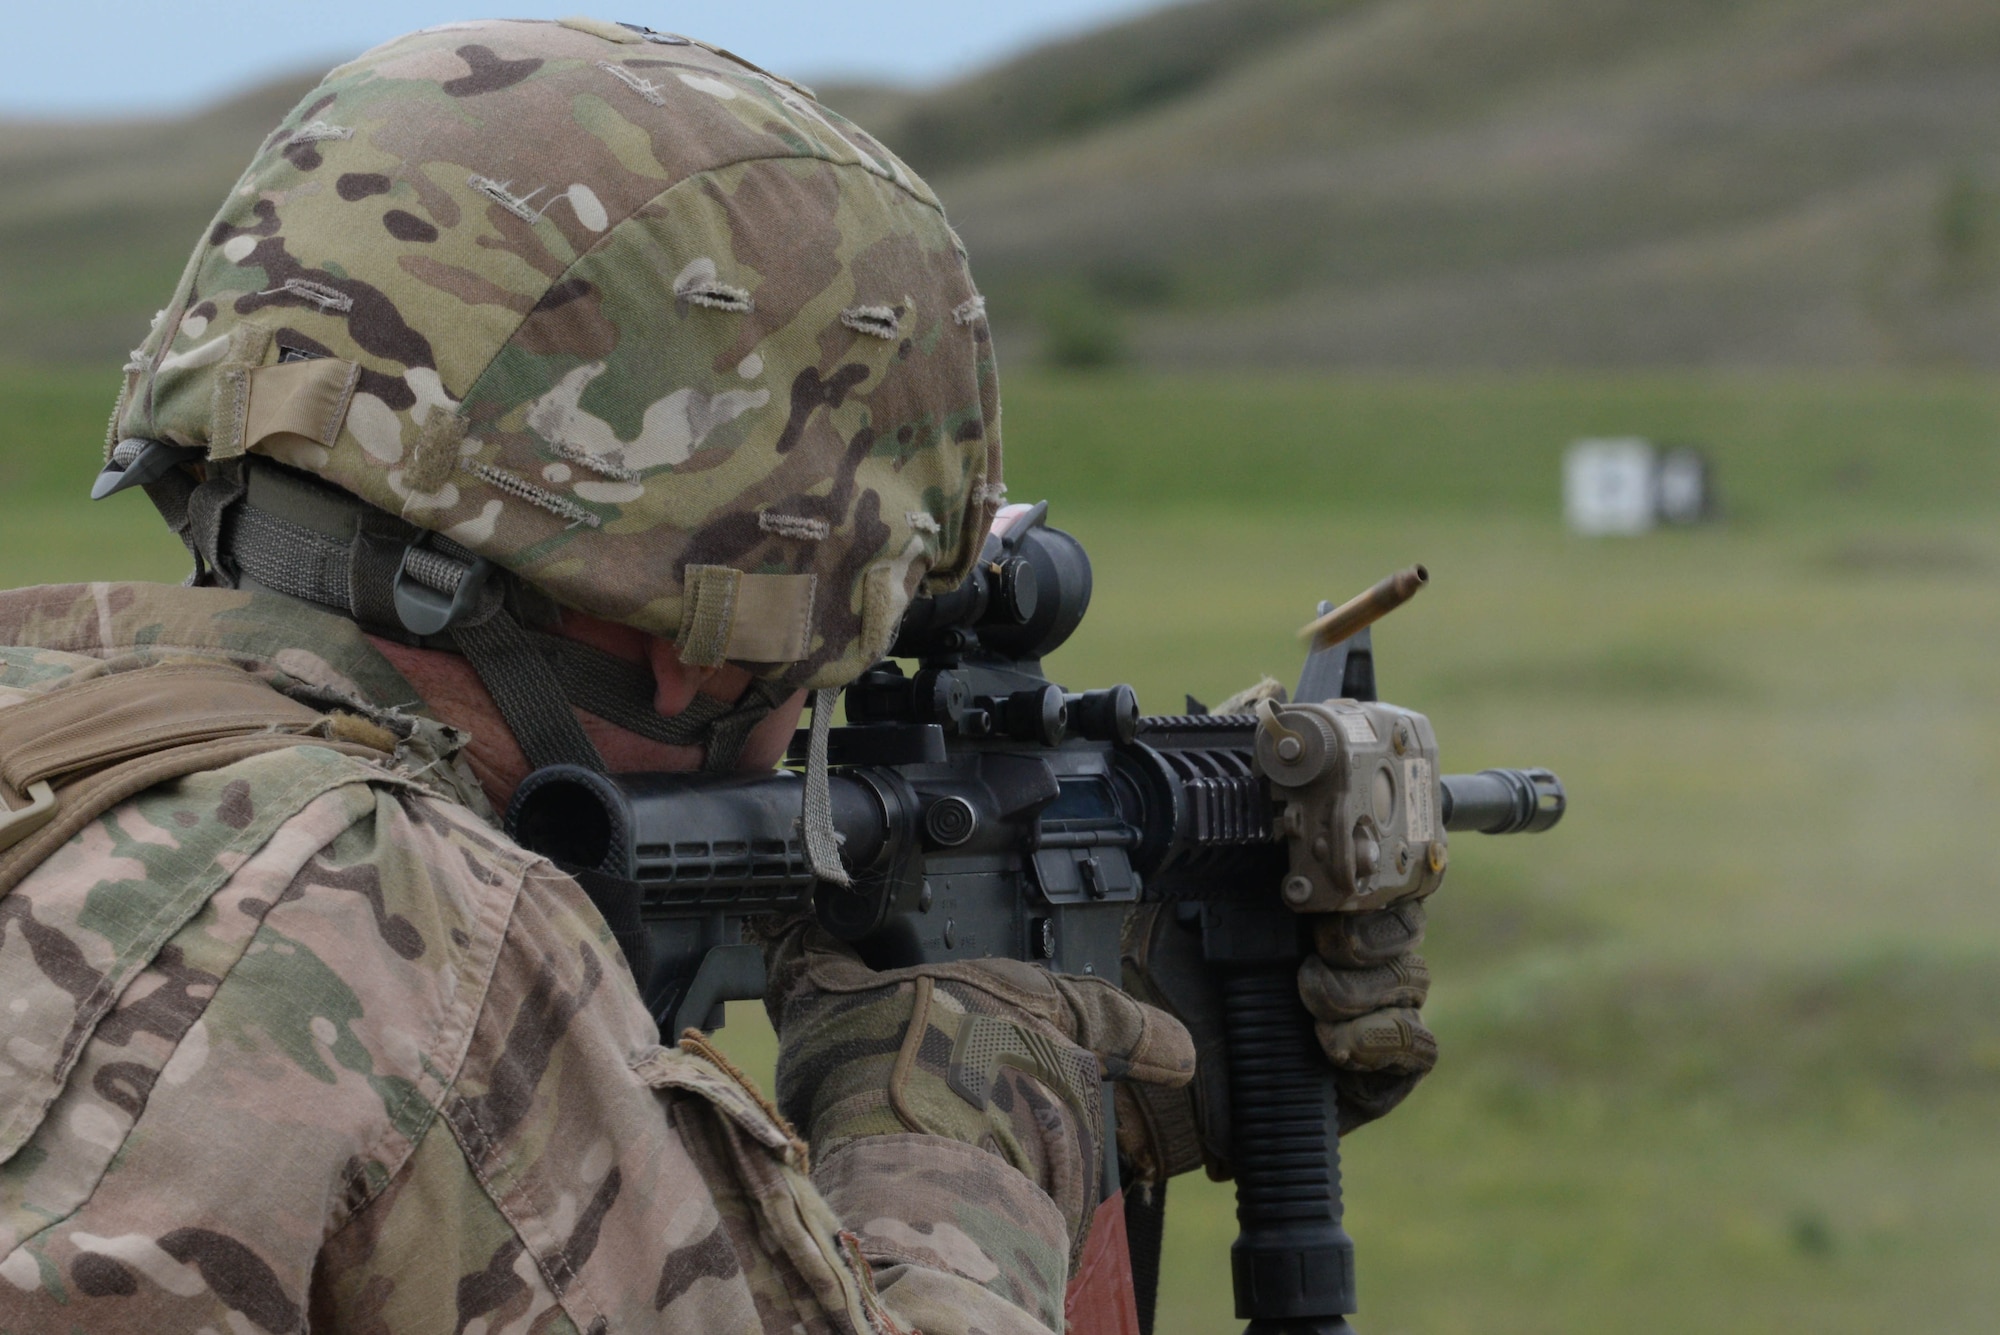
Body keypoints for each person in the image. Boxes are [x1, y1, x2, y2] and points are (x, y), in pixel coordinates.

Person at [0, 19, 1432, 1333]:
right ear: (694, 647)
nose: (813, 714)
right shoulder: (413, 937)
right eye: (827, 656)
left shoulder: (52, 741)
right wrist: (959, 1145)